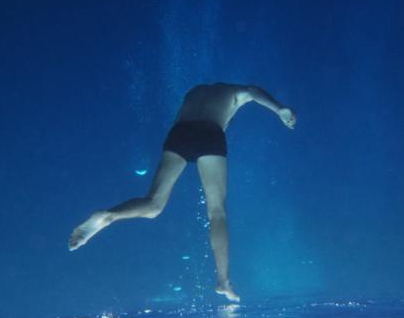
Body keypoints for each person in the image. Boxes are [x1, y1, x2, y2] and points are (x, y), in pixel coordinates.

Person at [68, 83, 296, 302]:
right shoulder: (234, 93)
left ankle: (110, 215)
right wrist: (280, 109)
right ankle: (223, 280)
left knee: (153, 204)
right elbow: (253, 91)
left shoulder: (194, 91)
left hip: (179, 133)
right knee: (217, 212)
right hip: (210, 131)